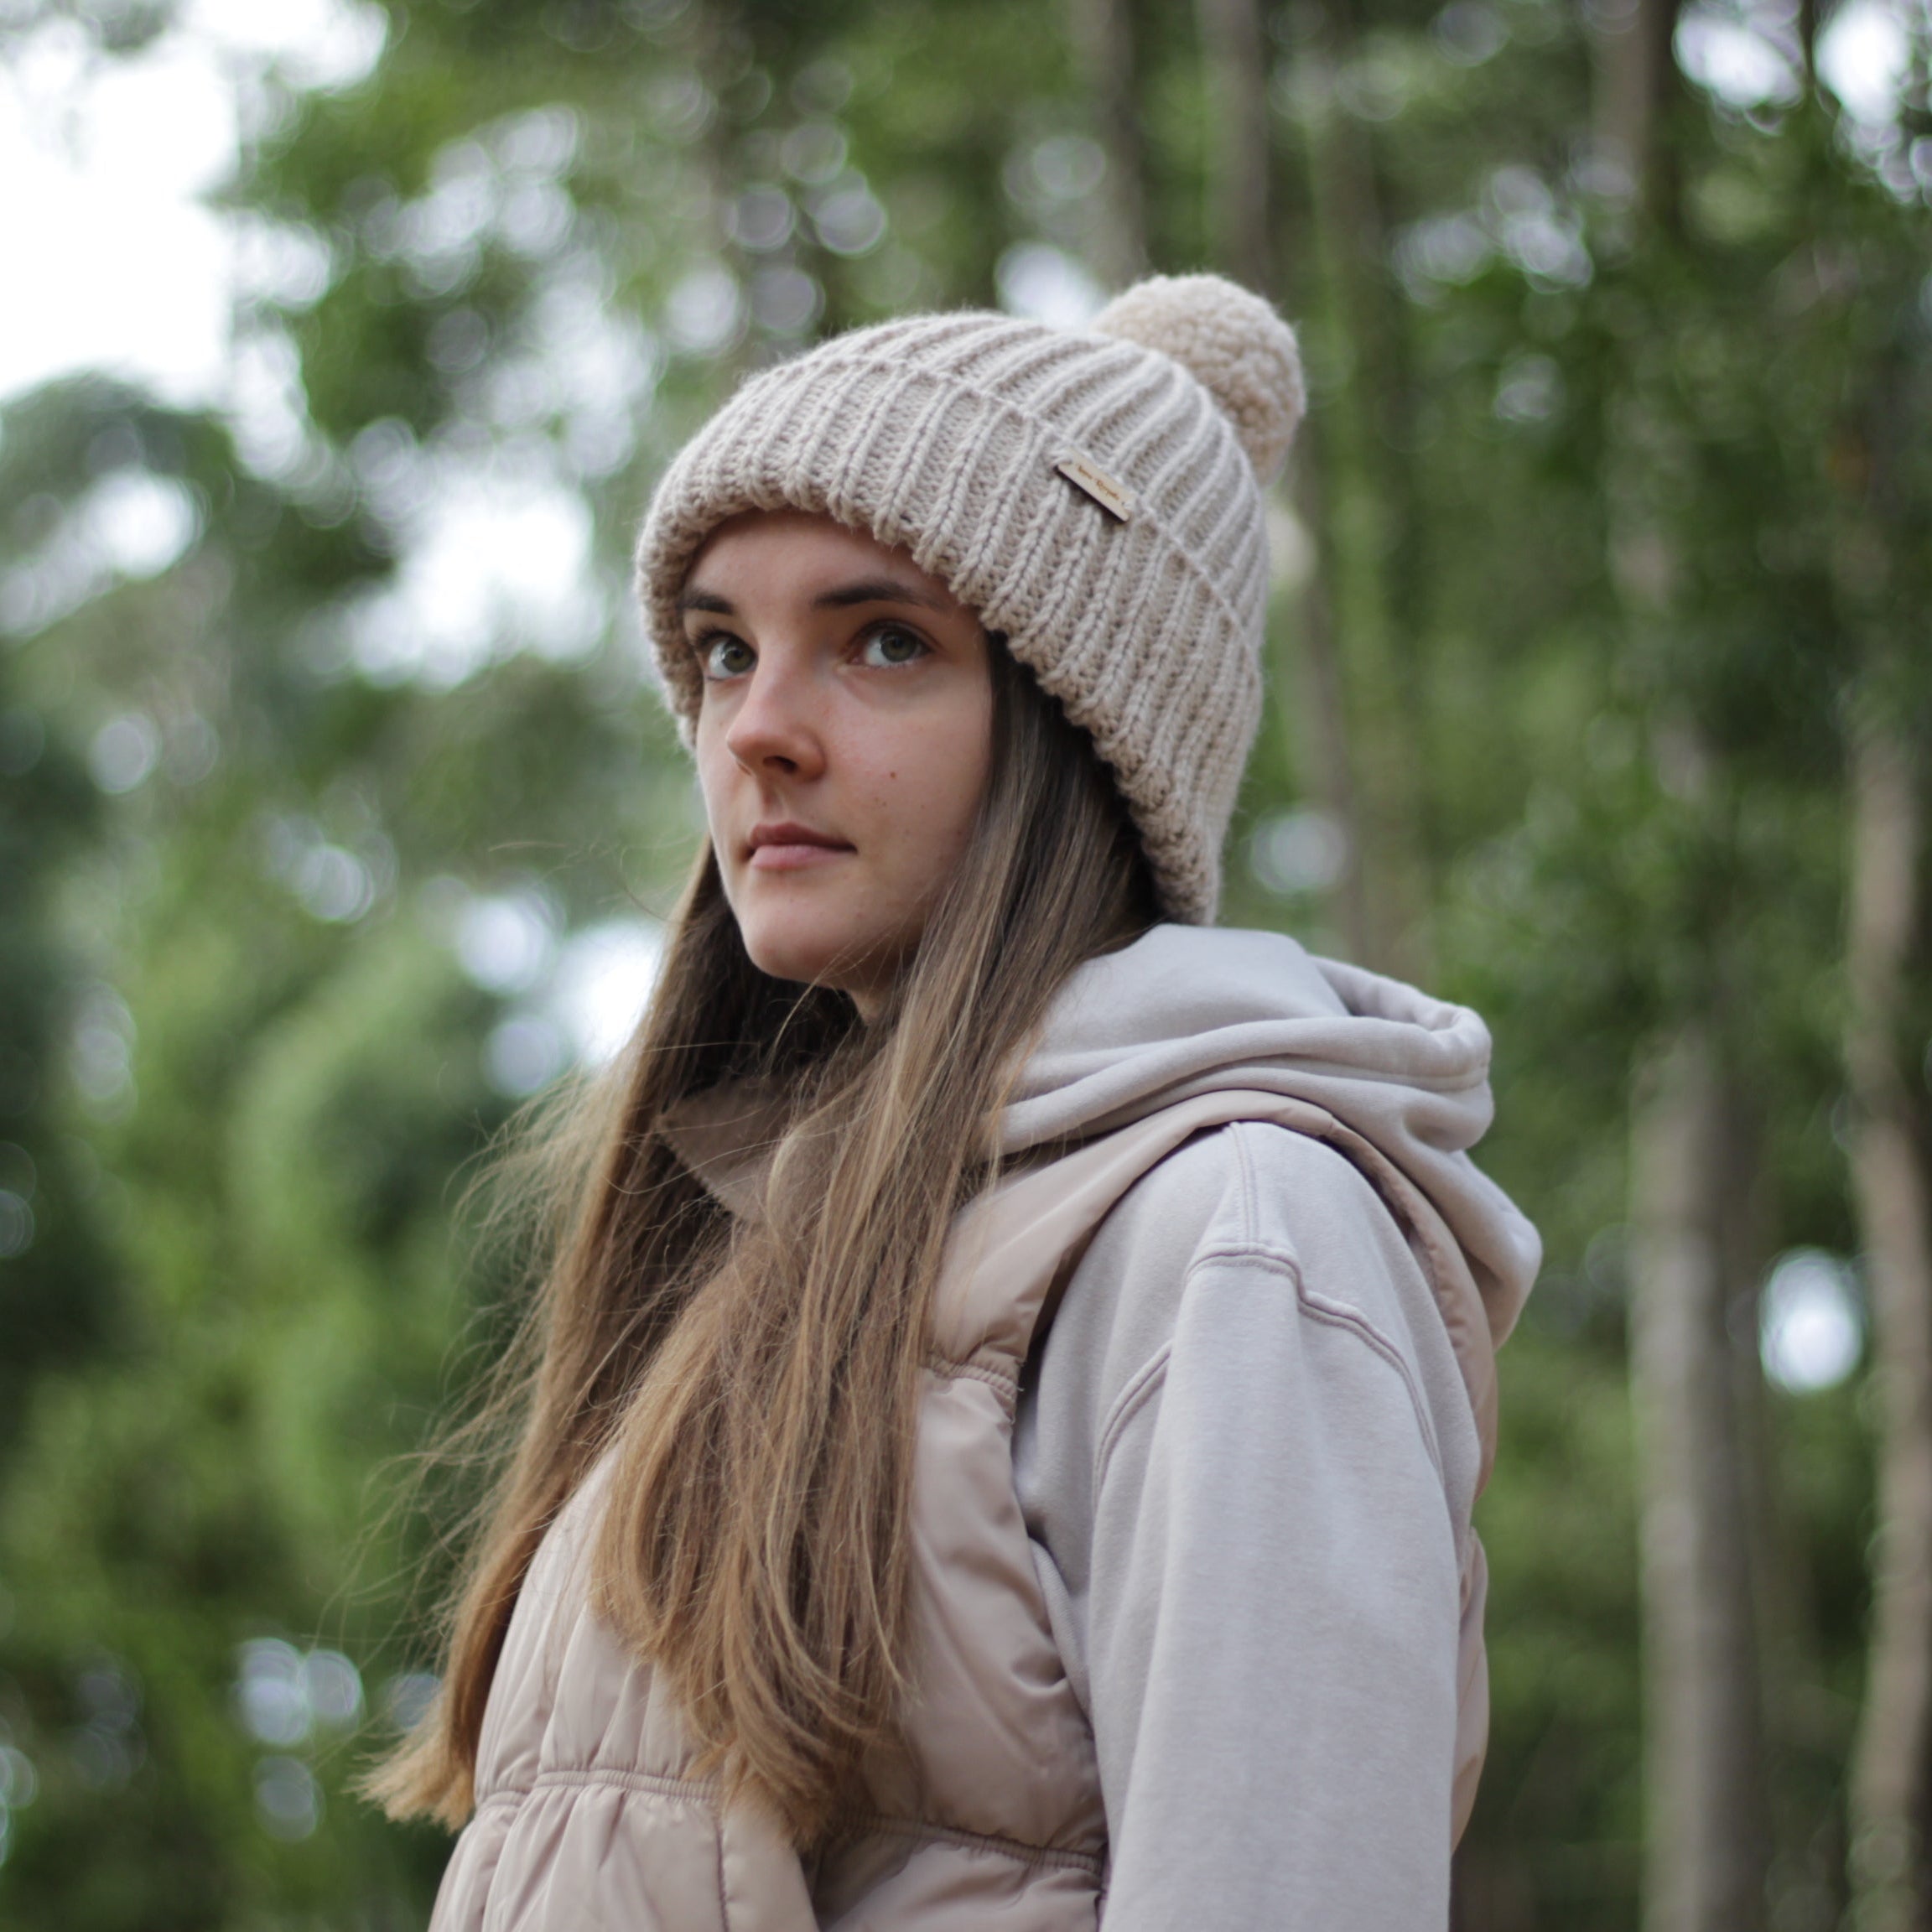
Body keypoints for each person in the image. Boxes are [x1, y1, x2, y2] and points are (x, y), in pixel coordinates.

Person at [369, 273, 1541, 1929]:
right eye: (722, 648)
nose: (757, 730)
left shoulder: (1238, 1235)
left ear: (1083, 730)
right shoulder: (772, 1258)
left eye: (885, 642)